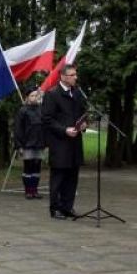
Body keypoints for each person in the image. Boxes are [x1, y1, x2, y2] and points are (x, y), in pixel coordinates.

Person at [42, 64, 88, 219]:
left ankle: (68, 206)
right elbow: (47, 119)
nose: (76, 77)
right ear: (63, 76)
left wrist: (83, 124)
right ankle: (55, 208)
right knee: (58, 177)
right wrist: (64, 130)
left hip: (75, 142)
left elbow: (83, 112)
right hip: (59, 142)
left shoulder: (77, 93)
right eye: (72, 75)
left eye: (76, 74)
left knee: (72, 176)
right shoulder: (52, 94)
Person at [14, 85, 45, 199]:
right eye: (32, 95)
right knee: (28, 167)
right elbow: (18, 129)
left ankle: (35, 190)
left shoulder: (41, 109)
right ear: (27, 97)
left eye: (36, 95)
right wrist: (19, 146)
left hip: (39, 143)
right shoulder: (23, 111)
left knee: (37, 167)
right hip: (27, 144)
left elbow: (44, 126)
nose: (34, 97)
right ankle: (28, 190)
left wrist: (46, 143)